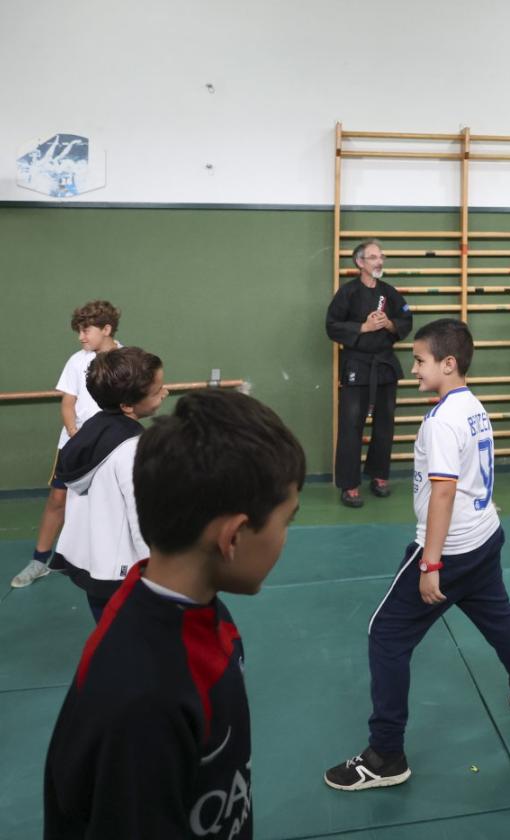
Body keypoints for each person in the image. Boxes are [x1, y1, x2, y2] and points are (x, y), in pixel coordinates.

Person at [44, 389, 306, 839]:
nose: (285, 539)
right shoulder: (144, 699)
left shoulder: (199, 610)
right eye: (287, 522)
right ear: (234, 536)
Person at [326, 319, 510, 791]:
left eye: (420, 361)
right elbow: (474, 473)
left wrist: (431, 564)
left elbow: (444, 492)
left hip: (453, 549)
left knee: (385, 634)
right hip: (485, 537)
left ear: (449, 364)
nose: (413, 369)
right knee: (500, 618)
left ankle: (386, 754)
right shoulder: (471, 406)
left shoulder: (442, 420)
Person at [11, 300, 121, 588]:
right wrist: (75, 432)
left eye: (86, 331)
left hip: (110, 446)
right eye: (79, 331)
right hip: (73, 443)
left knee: (108, 503)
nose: (81, 337)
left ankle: (95, 560)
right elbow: (68, 402)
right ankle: (40, 560)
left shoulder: (126, 359)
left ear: (106, 329)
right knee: (58, 499)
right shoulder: (77, 360)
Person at [53, 347, 169, 621]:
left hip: (93, 566)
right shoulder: (133, 448)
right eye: (157, 390)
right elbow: (142, 517)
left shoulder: (92, 429)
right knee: (138, 648)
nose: (164, 393)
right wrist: (156, 574)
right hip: (126, 576)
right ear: (127, 405)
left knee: (110, 639)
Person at [326, 238, 413, 508]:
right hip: (357, 365)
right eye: (374, 257)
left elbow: (407, 319)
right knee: (351, 425)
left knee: (385, 424)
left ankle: (379, 475)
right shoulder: (347, 293)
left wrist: (389, 324)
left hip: (384, 365)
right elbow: (331, 326)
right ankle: (349, 485)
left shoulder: (390, 293)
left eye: (381, 257)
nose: (380, 261)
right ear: (360, 262)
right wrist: (362, 328)